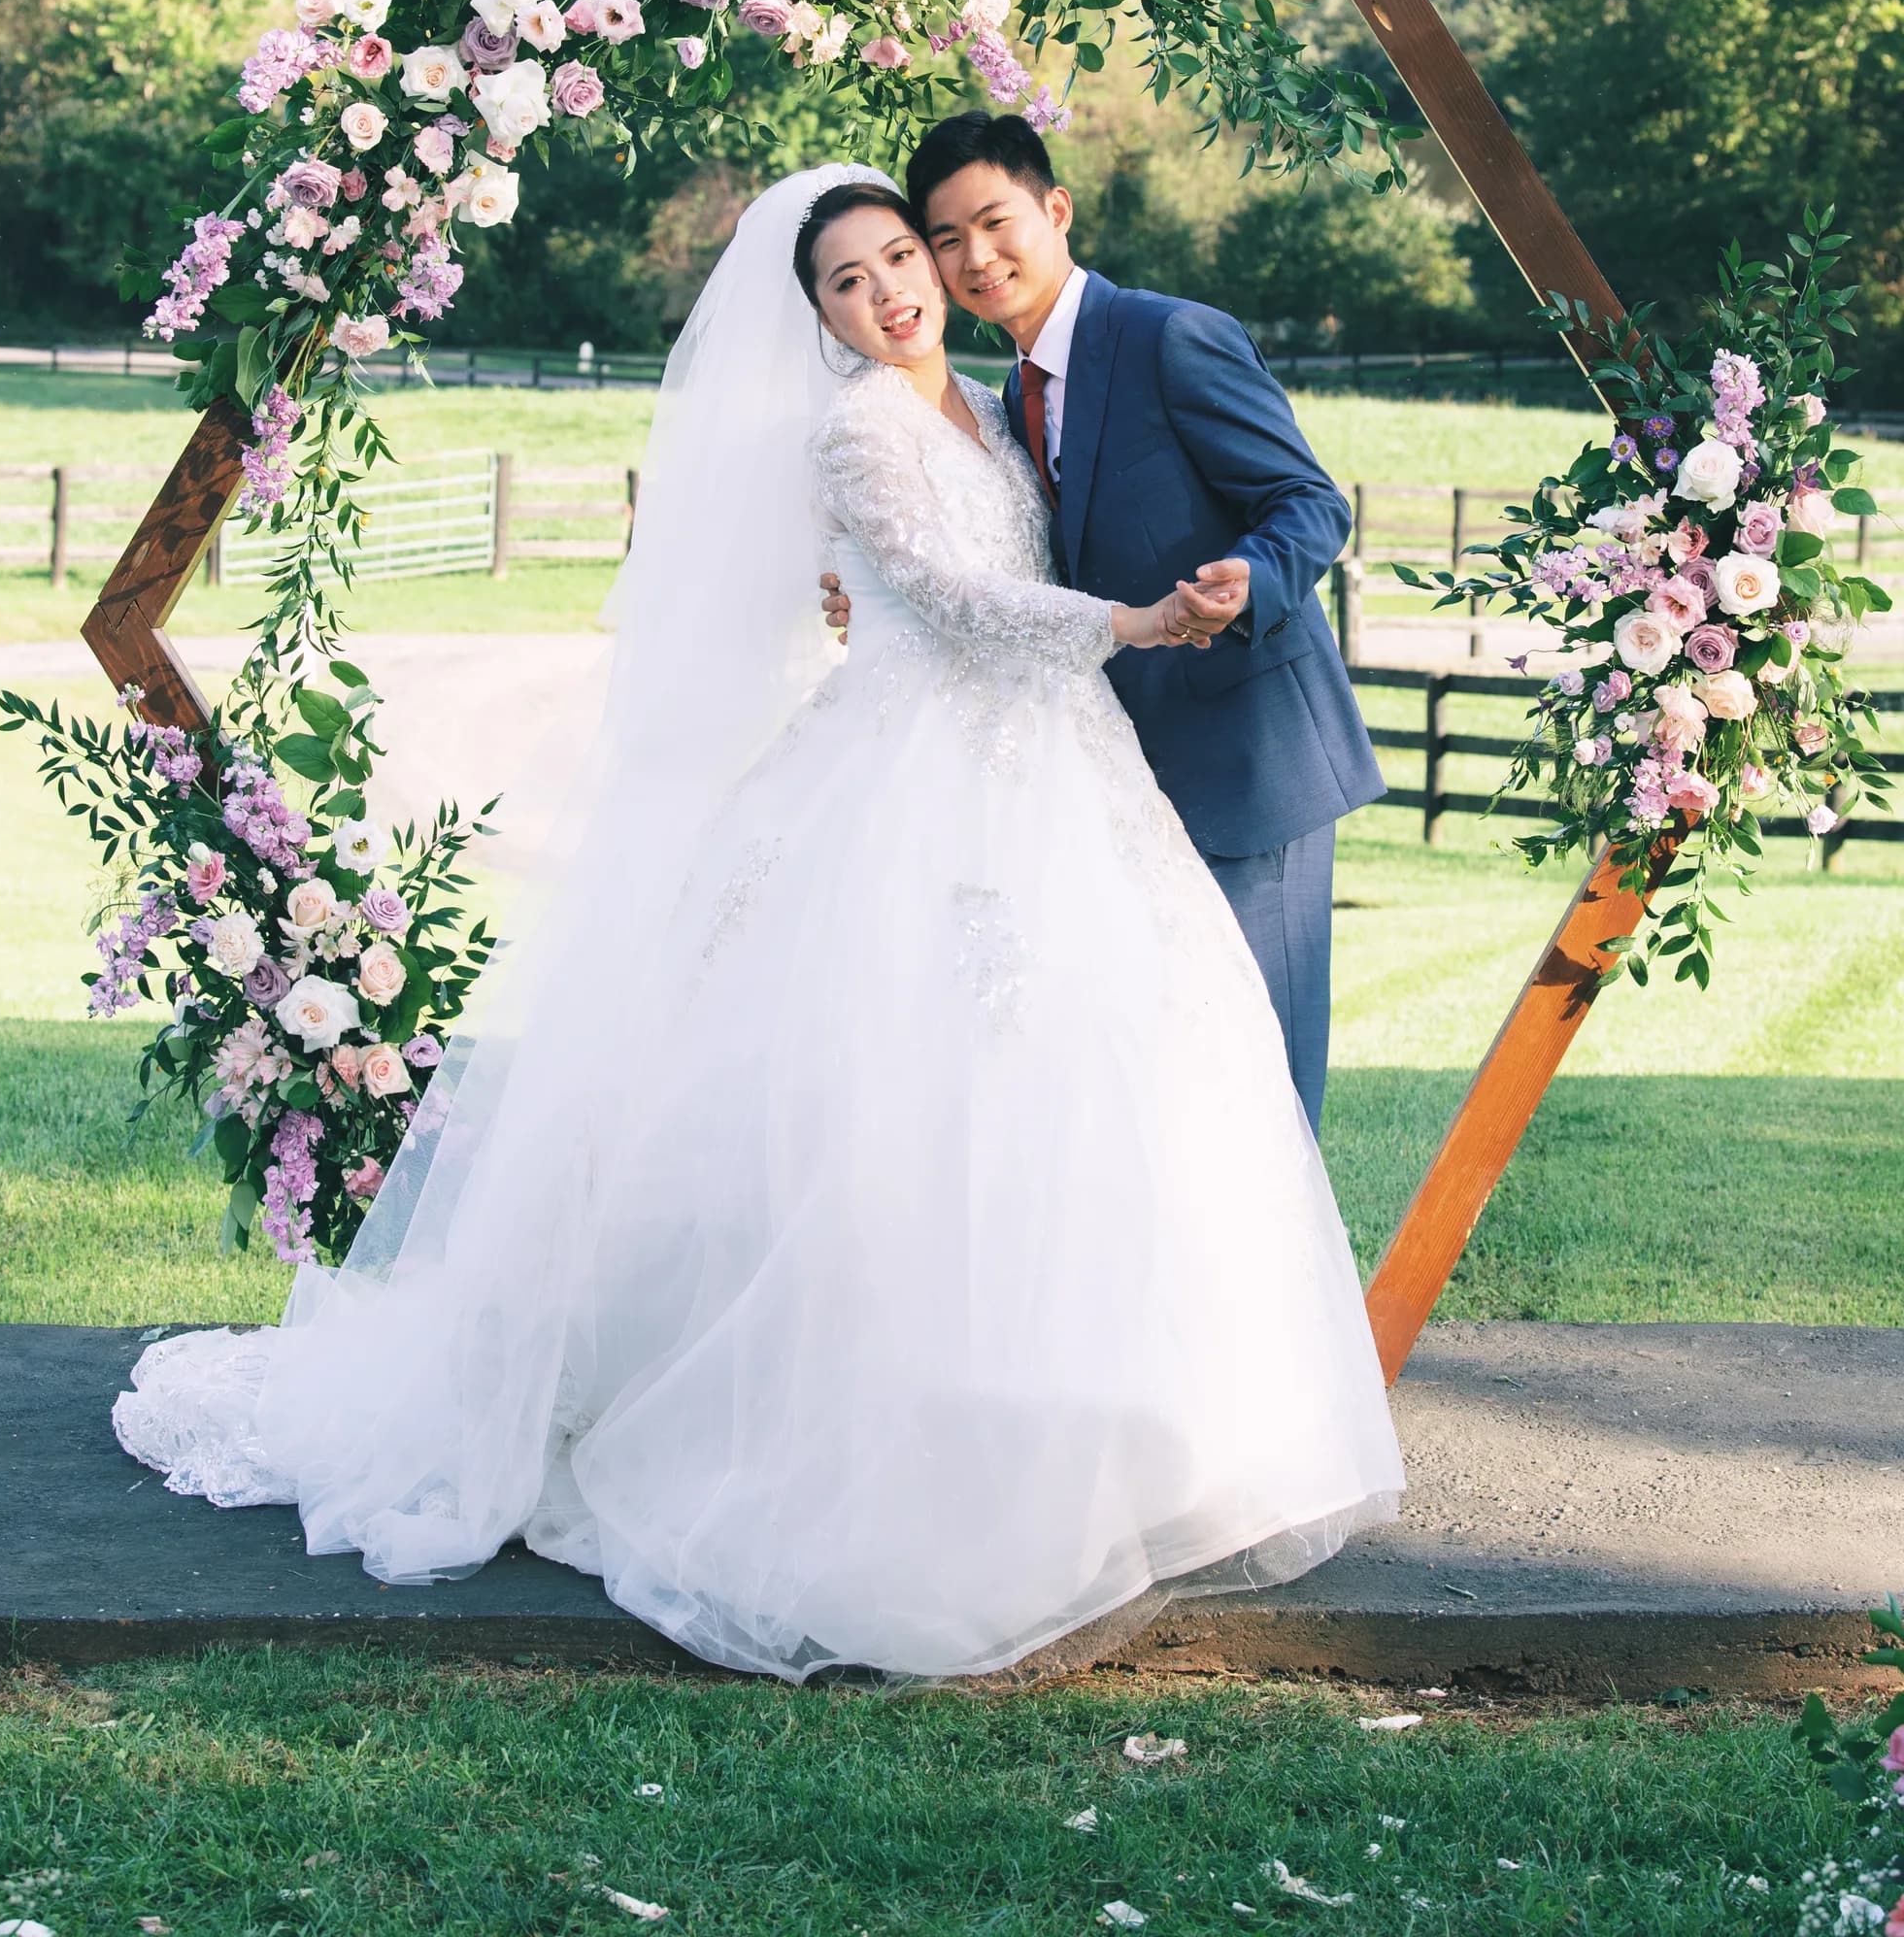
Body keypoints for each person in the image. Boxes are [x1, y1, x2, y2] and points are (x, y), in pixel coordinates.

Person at [114, 163, 1401, 1685]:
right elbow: (953, 596)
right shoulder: (858, 432)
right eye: (849, 282)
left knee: (1111, 1081)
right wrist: (1120, 625)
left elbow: (1032, 550)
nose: (895, 288)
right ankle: (862, 1415)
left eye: (901, 257)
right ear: (817, 319)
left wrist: (1136, 606)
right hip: (921, 775)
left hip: (1059, 774)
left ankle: (1111, 1399)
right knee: (887, 1091)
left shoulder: (985, 407)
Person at [825, 113, 1383, 1132]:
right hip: (1109, 779)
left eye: (993, 223)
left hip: (1245, 757)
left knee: (1260, 1073)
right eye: (944, 240)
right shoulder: (1002, 398)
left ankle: (1284, 1296)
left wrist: (1245, 583)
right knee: (1164, 1081)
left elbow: (1309, 504)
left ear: (1055, 208)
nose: (974, 258)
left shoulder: (1170, 335)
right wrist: (871, 587)